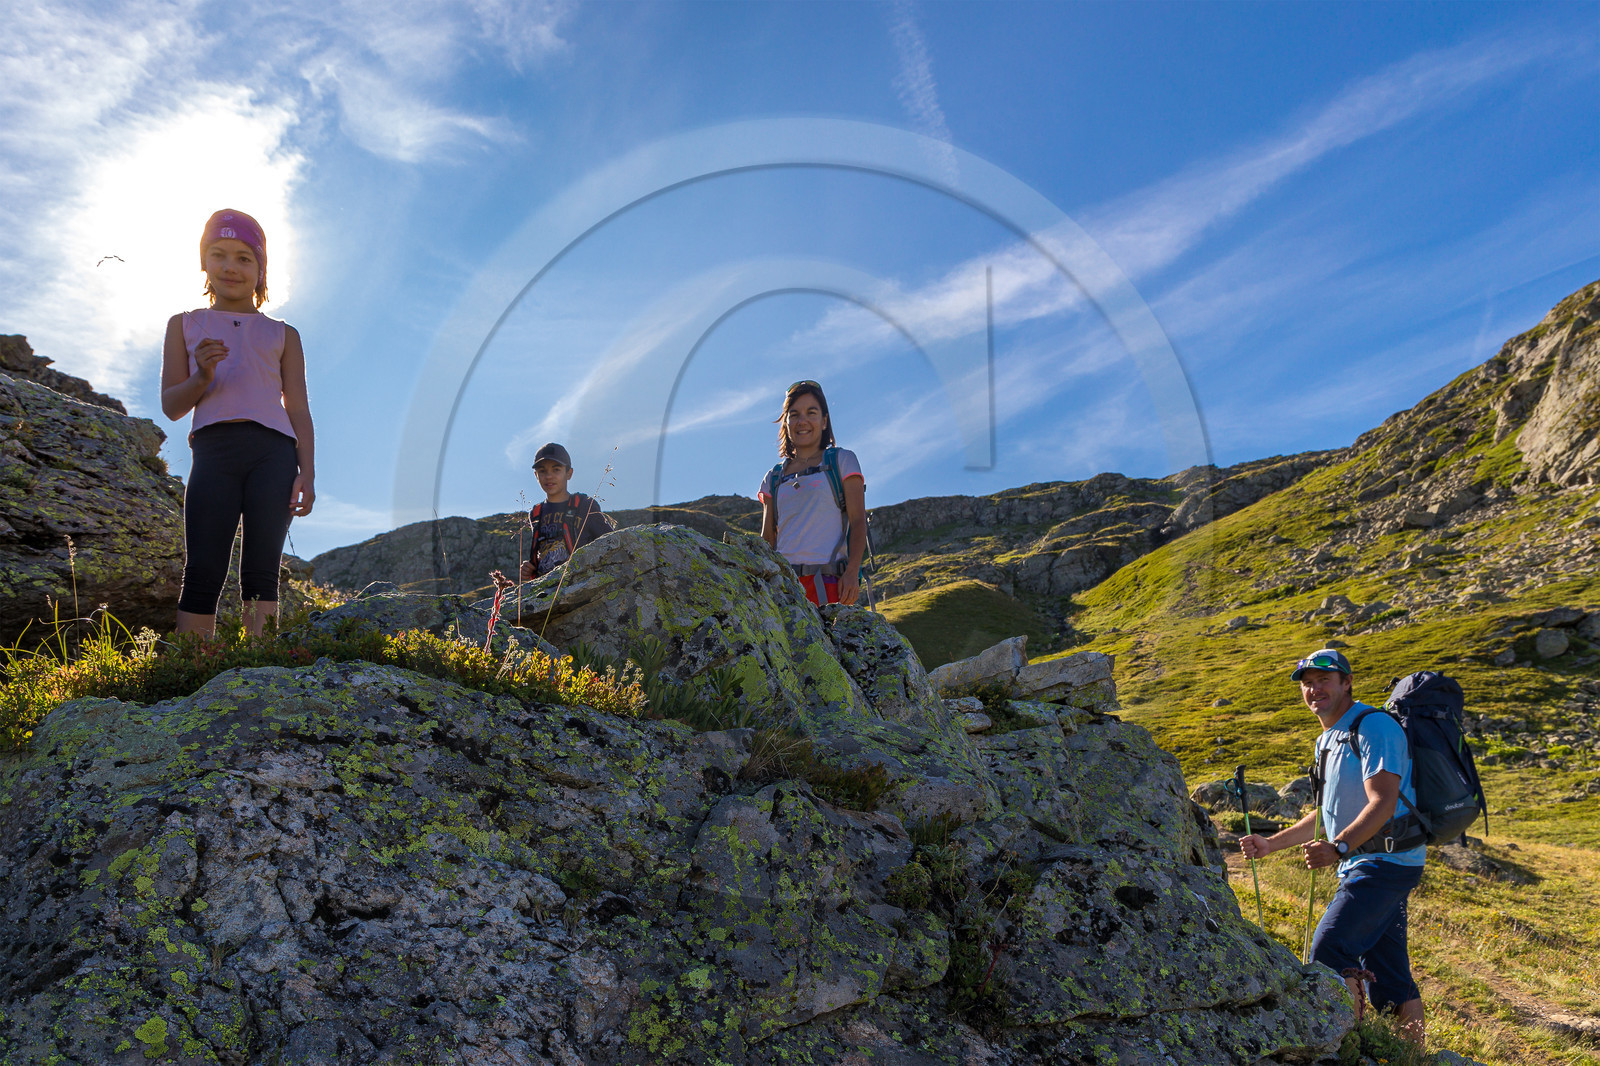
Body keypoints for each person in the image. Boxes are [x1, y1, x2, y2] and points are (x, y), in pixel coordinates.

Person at [1239, 649, 1426, 1045]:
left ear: (1346, 682)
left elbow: (1383, 802)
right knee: (1390, 972)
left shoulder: (1374, 726)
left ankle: (1345, 1046)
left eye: (1324, 679)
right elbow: (1325, 813)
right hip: (1367, 862)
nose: (1314, 688)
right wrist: (1271, 844)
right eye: (1307, 682)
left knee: (1329, 951)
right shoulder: (1328, 738)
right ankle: (1411, 1053)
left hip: (1385, 862)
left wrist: (1339, 848)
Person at [160, 209, 314, 637]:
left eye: (244, 258)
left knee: (263, 570)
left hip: (275, 456)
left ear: (261, 268)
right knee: (204, 567)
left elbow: (298, 408)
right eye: (219, 254)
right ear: (203, 262)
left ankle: (260, 672)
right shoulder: (185, 325)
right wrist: (202, 376)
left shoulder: (284, 333)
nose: (231, 266)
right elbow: (172, 405)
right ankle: (191, 673)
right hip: (213, 452)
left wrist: (309, 473)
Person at [758, 380, 867, 606]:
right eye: (794, 414)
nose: (802, 421)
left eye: (811, 412)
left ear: (824, 420)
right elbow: (767, 540)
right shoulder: (773, 478)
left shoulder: (843, 461)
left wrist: (852, 573)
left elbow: (858, 522)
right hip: (784, 590)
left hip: (830, 587)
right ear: (786, 423)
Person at [517, 442, 613, 580]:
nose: (549, 476)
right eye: (542, 471)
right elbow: (543, 554)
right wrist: (531, 569)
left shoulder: (585, 505)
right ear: (536, 475)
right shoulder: (536, 513)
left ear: (569, 473)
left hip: (581, 582)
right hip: (546, 588)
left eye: (556, 470)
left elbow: (610, 543)